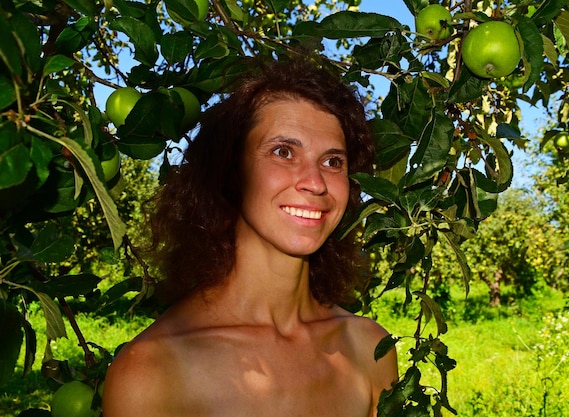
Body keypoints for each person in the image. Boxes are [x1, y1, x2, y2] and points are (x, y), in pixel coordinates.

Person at [102, 57, 398, 417]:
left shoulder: (370, 349)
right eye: (284, 152)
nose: (316, 183)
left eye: (333, 161)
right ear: (230, 172)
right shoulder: (152, 371)